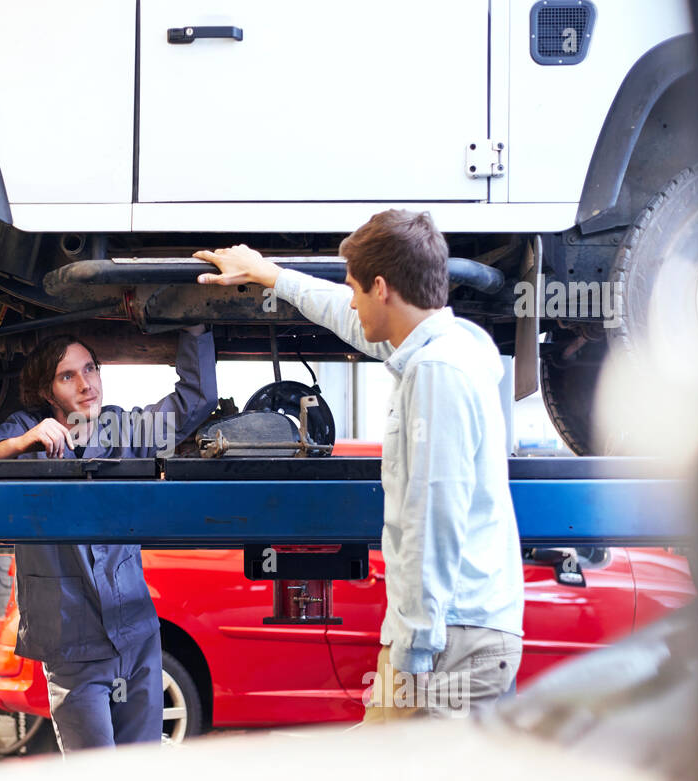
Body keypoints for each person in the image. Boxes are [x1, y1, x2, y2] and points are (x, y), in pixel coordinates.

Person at [192, 211, 524, 720]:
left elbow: (432, 518)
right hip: (453, 635)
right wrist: (269, 273)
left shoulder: (437, 373)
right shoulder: (450, 347)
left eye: (354, 287)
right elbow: (346, 317)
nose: (349, 299)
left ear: (382, 288)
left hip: (446, 644)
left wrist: (412, 651)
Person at [0, 326, 217, 751]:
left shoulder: (126, 430)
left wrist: (196, 326)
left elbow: (193, 403)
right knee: (94, 776)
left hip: (135, 636)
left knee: (140, 768)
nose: (86, 383)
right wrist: (22, 443)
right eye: (67, 375)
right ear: (47, 392)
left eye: (89, 368)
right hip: (72, 644)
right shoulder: (27, 434)